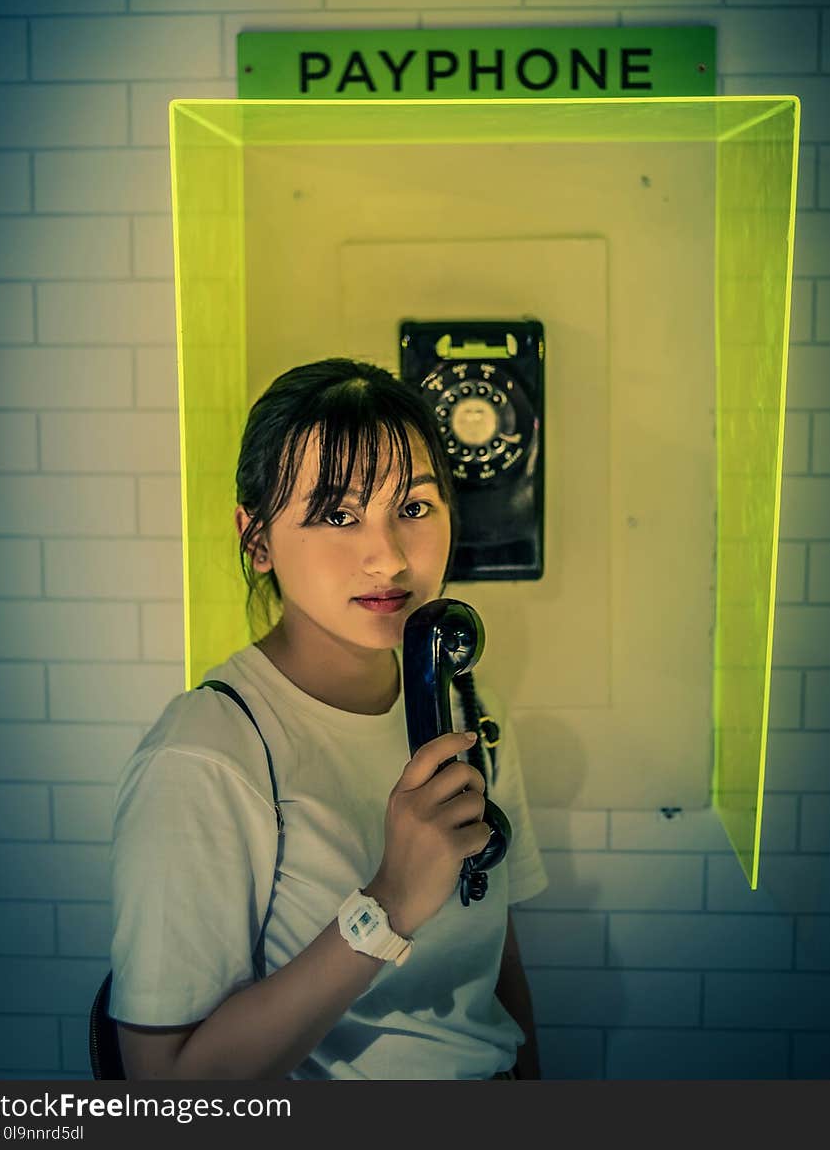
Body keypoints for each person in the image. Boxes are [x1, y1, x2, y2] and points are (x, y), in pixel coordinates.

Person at [108, 357, 549, 1080]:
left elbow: (496, 964)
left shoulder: (472, 709)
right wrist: (391, 902)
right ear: (256, 540)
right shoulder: (206, 756)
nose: (388, 557)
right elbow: (163, 1088)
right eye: (338, 515)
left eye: (413, 508)